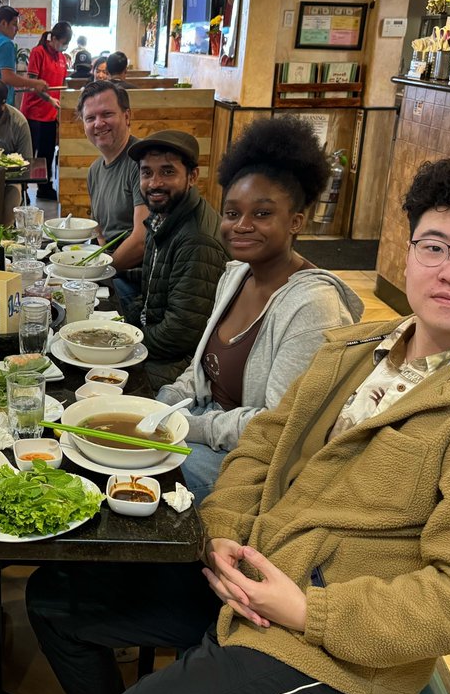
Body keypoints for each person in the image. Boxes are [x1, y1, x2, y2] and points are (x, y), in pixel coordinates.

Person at [22, 154, 450, 694]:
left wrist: (308, 611)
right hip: (253, 576)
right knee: (57, 597)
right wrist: (224, 533)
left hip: (335, 653)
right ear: (409, 251)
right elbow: (265, 442)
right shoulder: (359, 346)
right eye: (436, 247)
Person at [155, 117, 363, 495]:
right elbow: (199, 371)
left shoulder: (313, 306)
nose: (241, 225)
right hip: (205, 425)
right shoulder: (235, 274)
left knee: (138, 479)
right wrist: (163, 404)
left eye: (262, 214)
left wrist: (185, 426)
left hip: (253, 461)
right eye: (232, 213)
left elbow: (275, 426)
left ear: (296, 221)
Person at [123, 130, 227, 389]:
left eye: (167, 172)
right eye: (147, 173)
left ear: (192, 176)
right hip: (156, 340)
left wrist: (124, 342)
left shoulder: (197, 239)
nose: (154, 183)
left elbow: (179, 334)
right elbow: (155, 283)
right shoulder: (163, 216)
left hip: (182, 365)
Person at [80, 81, 148, 312]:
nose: (99, 124)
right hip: (111, 271)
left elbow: (141, 241)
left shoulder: (143, 164)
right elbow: (100, 231)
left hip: (136, 281)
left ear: (127, 116)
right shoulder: (95, 170)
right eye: (90, 118)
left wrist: (97, 273)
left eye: (107, 114)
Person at [21, 22, 72, 201]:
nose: (64, 47)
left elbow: (62, 84)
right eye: (63, 42)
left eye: (66, 44)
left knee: (47, 154)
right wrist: (48, 99)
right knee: (29, 154)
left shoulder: (62, 58)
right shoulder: (38, 53)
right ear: (54, 39)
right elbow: (31, 84)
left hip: (51, 114)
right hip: (33, 113)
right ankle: (23, 189)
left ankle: (45, 186)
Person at [0, 5, 47, 104]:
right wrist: (35, 83)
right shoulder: (5, 43)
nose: (17, 29)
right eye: (14, 24)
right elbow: (8, 77)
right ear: (4, 23)